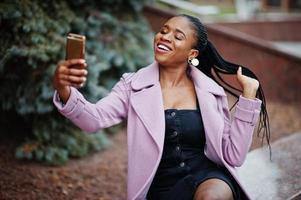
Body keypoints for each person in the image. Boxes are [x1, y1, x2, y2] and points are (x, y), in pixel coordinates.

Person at [53, 14, 270, 200]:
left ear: (192, 54)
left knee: (212, 197)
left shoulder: (210, 92)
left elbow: (234, 155)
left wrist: (248, 97)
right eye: (163, 30)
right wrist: (64, 89)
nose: (165, 37)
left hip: (207, 176)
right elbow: (94, 119)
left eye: (177, 36)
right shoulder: (133, 85)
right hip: (161, 187)